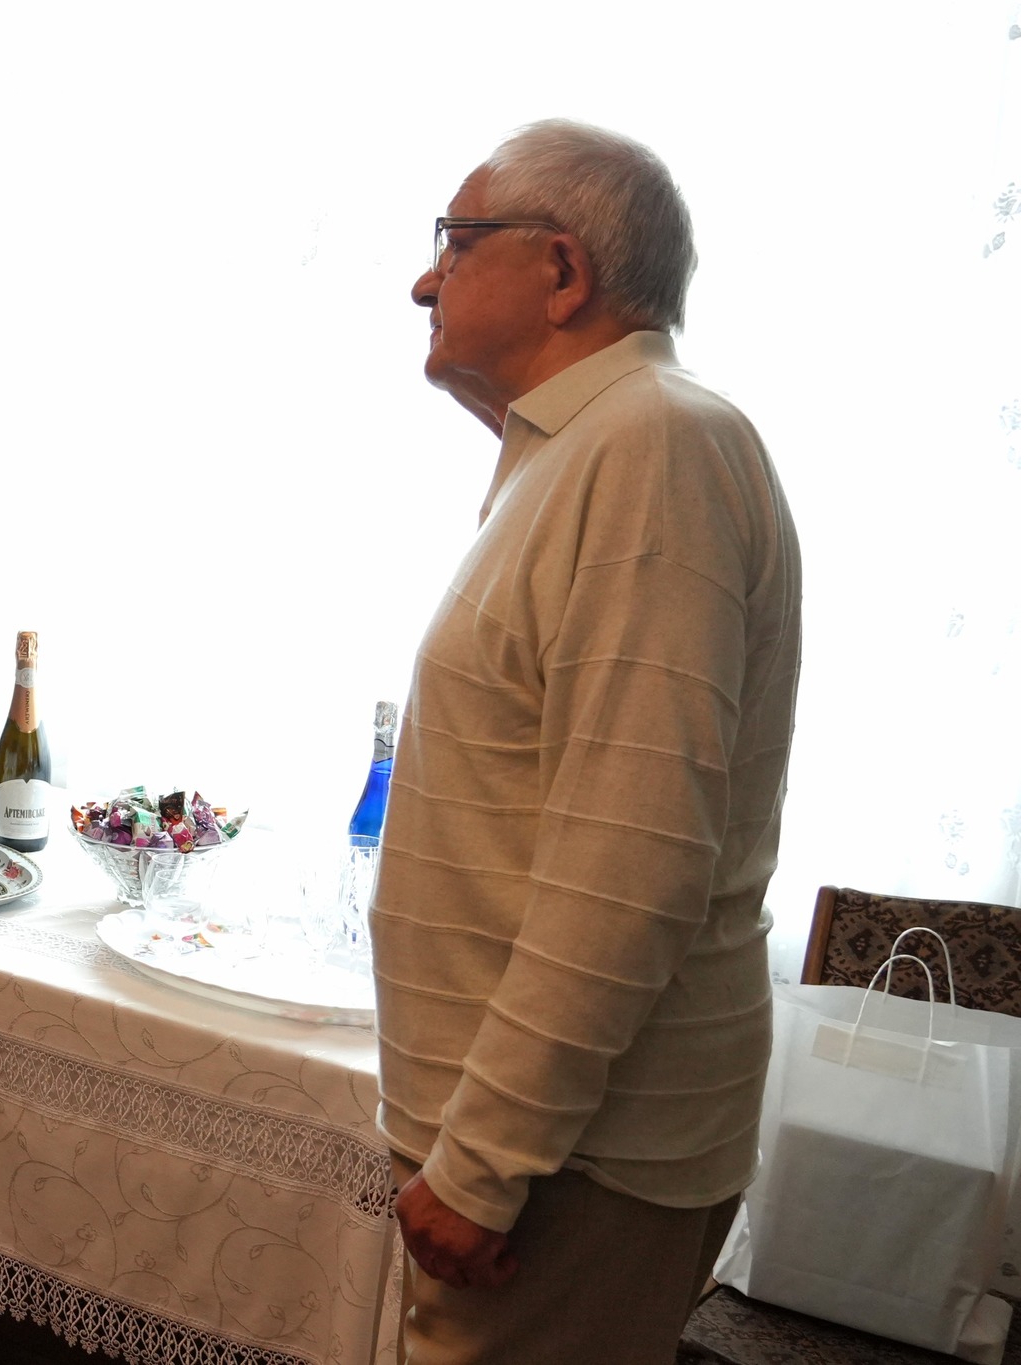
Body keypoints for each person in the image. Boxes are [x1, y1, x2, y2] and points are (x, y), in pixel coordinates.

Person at [371, 119, 802, 1364]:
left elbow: (630, 859)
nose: (421, 282)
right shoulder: (592, 451)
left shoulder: (653, 446)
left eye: (453, 242)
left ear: (560, 271)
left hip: (572, 1167)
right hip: (551, 1153)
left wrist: (482, 1164)